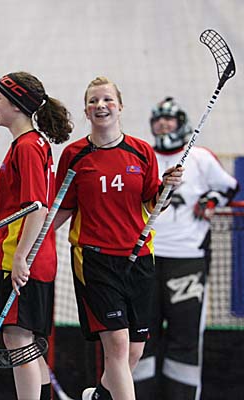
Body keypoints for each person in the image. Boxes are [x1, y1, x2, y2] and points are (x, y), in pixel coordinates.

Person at [53, 77, 183, 400]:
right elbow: (62, 208)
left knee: (134, 351)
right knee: (118, 346)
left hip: (139, 259)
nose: (101, 106)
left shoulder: (141, 152)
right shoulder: (74, 155)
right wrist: (27, 248)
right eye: (93, 101)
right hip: (94, 260)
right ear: (86, 110)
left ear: (120, 106)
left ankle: (98, 396)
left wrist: (167, 188)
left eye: (107, 99)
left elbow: (152, 204)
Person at [0, 72, 73, 400]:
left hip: (22, 258)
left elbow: (37, 208)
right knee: (26, 342)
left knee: (18, 341)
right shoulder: (24, 146)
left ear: (17, 104)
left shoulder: (27, 147)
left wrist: (22, 257)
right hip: (23, 256)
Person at [133, 97, 240, 400]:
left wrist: (210, 201)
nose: (163, 125)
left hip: (188, 260)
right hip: (146, 258)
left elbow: (230, 187)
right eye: (158, 120)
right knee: (141, 335)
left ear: (181, 124)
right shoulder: (144, 156)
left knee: (185, 336)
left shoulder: (201, 158)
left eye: (169, 119)